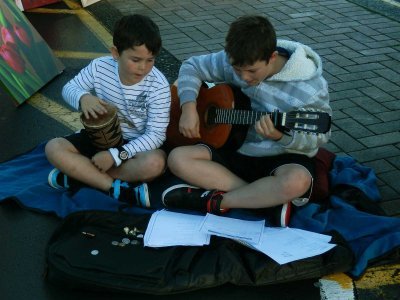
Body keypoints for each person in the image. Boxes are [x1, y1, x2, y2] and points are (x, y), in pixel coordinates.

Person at [161, 15, 332, 226]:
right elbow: (191, 66)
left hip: (280, 157)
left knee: (297, 181)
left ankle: (220, 201)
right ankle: (263, 199)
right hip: (233, 148)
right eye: (236, 70)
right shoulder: (237, 58)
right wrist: (188, 108)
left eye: (252, 71)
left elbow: (319, 137)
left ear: (272, 57)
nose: (243, 78)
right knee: (177, 158)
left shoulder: (311, 88)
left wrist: (280, 137)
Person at [45, 14, 171, 207]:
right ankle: (114, 187)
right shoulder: (99, 67)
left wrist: (115, 155)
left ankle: (80, 174)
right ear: (115, 53)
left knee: (156, 164)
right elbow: (68, 88)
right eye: (136, 59)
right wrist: (83, 97)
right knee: (53, 147)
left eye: (150, 60)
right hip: (99, 137)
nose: (143, 68)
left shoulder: (159, 85)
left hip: (135, 146)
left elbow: (156, 136)